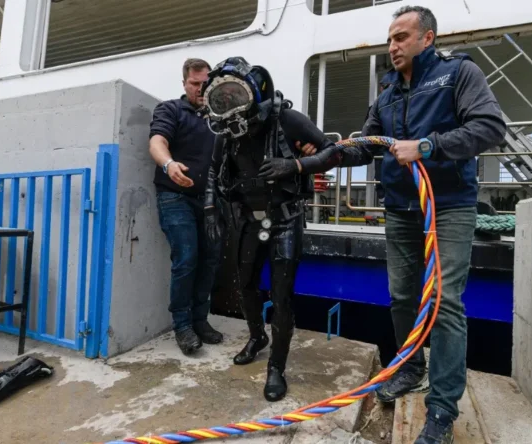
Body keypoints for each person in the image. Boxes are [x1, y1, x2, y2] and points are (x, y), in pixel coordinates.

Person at [360, 6, 507, 444]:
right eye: (390, 39)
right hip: (401, 208)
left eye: (402, 37)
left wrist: (427, 146)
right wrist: (311, 155)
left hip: (448, 206)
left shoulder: (459, 74)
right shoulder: (386, 92)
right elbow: (368, 142)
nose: (393, 46)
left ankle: (441, 409)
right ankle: (409, 369)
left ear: (427, 39)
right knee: (402, 295)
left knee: (444, 304)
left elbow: (490, 127)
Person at [200, 56, 368, 402]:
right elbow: (214, 174)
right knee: (244, 284)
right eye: (223, 99)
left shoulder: (287, 120)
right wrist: (209, 209)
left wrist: (296, 164)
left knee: (281, 296)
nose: (230, 106)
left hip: (285, 219)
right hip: (249, 220)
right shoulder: (226, 134)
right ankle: (256, 336)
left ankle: (276, 367)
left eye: (235, 96)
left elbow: (333, 152)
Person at [148, 58, 224, 355]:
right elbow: (156, 141)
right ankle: (182, 326)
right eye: (195, 84)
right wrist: (168, 164)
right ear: (184, 84)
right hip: (174, 194)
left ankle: (200, 320)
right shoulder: (170, 109)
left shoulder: (220, 118)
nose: (201, 89)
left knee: (211, 259)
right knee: (187, 257)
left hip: (210, 200)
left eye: (206, 83)